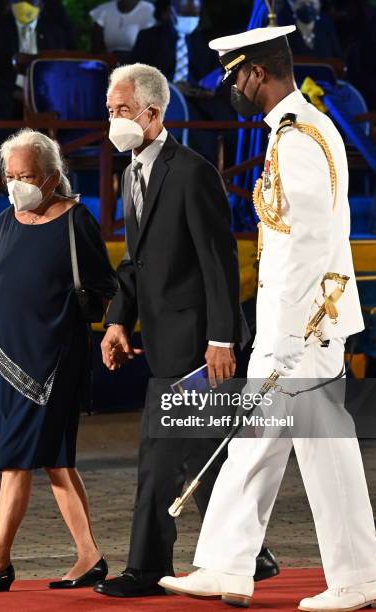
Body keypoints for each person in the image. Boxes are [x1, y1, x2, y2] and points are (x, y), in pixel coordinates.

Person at [159, 26, 376, 611]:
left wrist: (286, 337)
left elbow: (310, 242)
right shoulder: (298, 128)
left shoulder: (296, 137)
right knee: (253, 445)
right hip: (292, 326)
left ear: (257, 73)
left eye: (235, 76)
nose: (232, 87)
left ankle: (359, 577)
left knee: (324, 451)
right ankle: (225, 566)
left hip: (301, 330)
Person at [93, 63, 279, 599]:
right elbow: (134, 263)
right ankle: (254, 555)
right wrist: (116, 320)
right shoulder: (129, 173)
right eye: (110, 111)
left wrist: (222, 338)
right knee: (202, 458)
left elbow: (219, 262)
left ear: (153, 113)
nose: (114, 120)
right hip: (163, 342)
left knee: (164, 456)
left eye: (122, 111)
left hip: (202, 348)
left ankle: (147, 569)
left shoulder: (192, 172)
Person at [0, 129, 118, 592]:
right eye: (10, 176)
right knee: (54, 460)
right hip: (4, 360)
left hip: (52, 362)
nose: (17, 184)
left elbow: (104, 287)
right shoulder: (6, 220)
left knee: (16, 460)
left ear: (50, 176)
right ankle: (89, 556)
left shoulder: (76, 220)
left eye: (25, 175)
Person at [130, 0, 237, 164]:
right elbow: (137, 77)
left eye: (194, 13)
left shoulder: (206, 40)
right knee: (196, 129)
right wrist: (172, 88)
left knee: (232, 123)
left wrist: (212, 85)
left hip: (200, 99)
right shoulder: (150, 37)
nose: (190, 18)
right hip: (162, 100)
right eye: (185, 13)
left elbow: (217, 72)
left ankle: (229, 179)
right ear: (171, 10)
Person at [0, 0, 76, 120]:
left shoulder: (54, 32)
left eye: (32, 1)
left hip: (44, 93)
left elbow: (62, 69)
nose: (26, 4)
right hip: (7, 94)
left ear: (41, 5)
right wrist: (16, 93)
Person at [90, 0, 155, 63]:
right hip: (110, 63)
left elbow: (149, 48)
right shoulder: (103, 10)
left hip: (138, 64)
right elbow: (96, 48)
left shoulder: (149, 10)